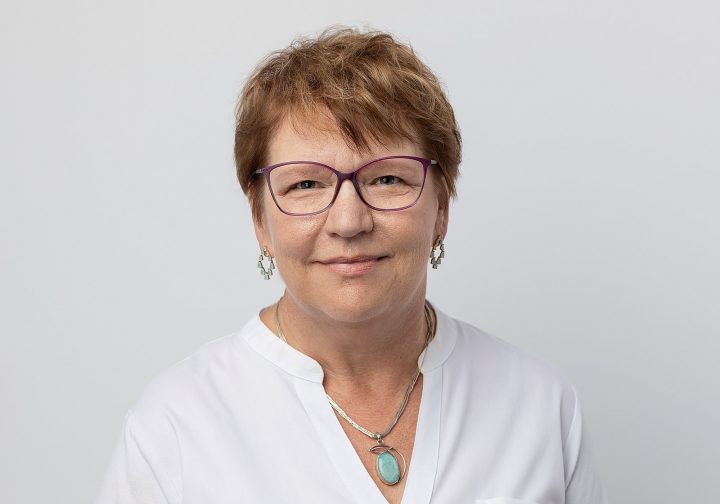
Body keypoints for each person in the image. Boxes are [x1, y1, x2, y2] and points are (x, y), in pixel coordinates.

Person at [95, 27, 608, 504]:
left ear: (442, 208)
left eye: (388, 179)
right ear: (259, 218)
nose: (348, 220)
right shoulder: (175, 428)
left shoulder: (540, 407)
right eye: (305, 184)